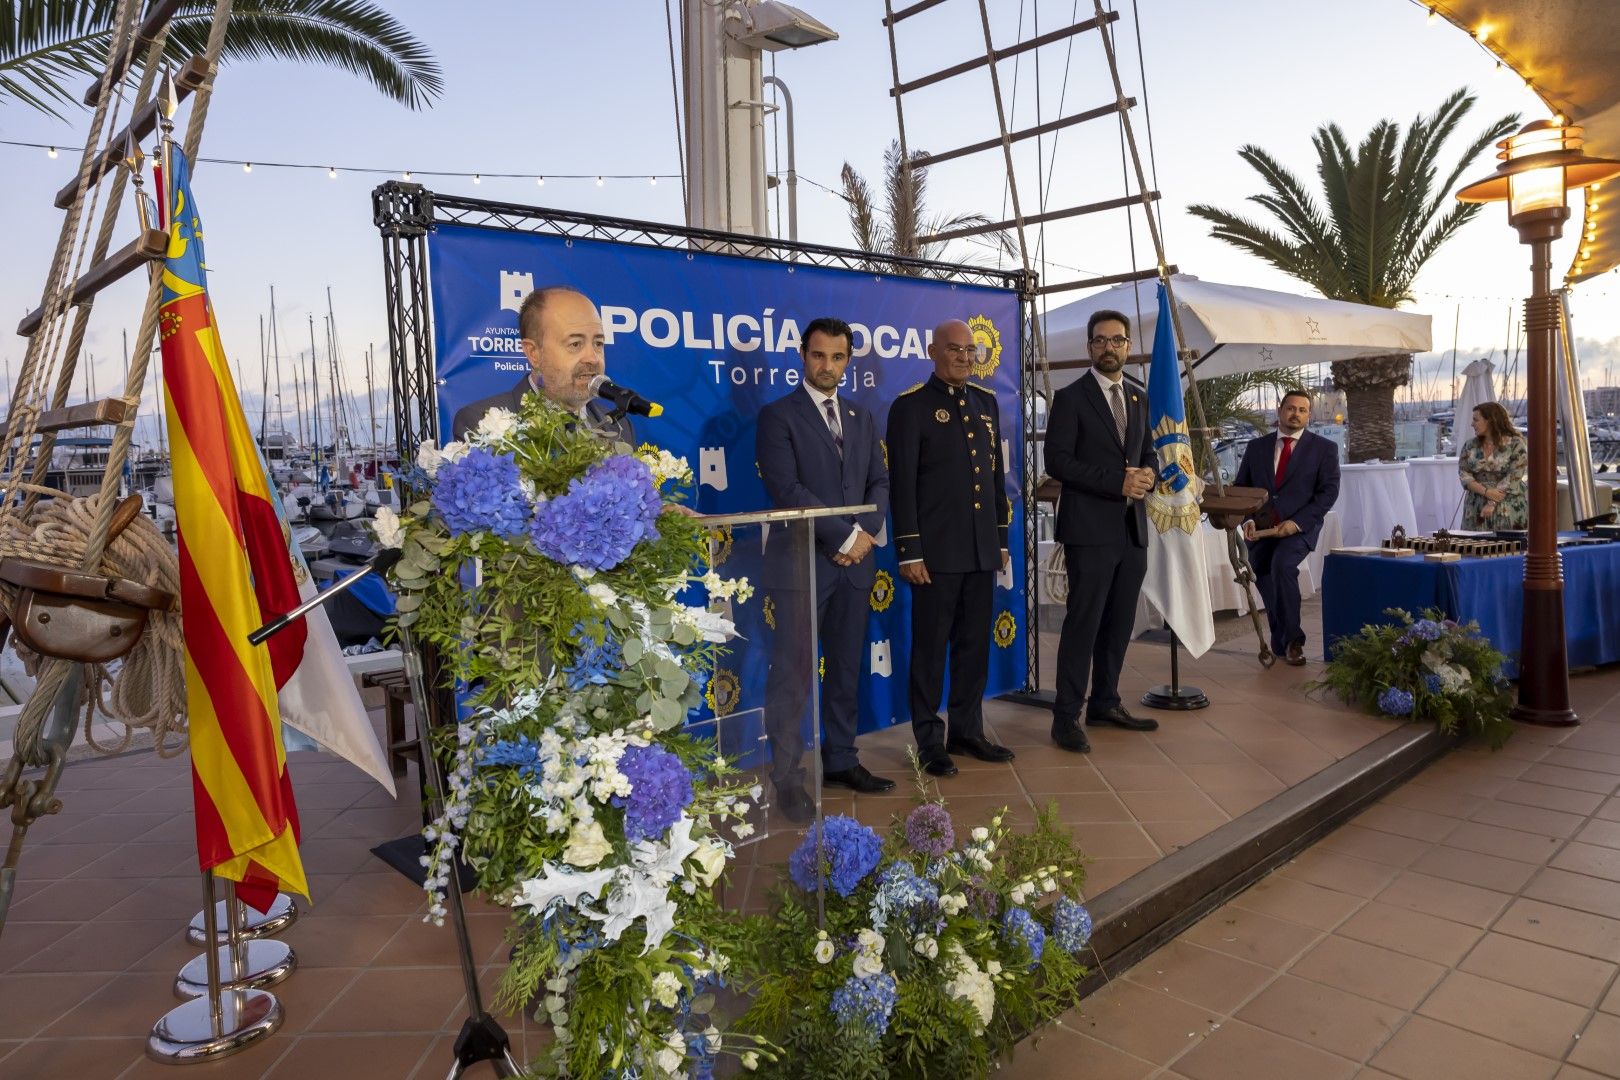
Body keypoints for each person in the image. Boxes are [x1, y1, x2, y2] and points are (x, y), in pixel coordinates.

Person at [756, 317, 894, 810]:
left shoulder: (861, 417)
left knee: (844, 670)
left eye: (837, 357)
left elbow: (879, 482)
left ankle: (840, 759)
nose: (827, 366)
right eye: (819, 355)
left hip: (854, 568)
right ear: (802, 354)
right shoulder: (779, 416)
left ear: (848, 361)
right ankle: (788, 776)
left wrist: (863, 538)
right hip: (800, 566)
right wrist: (849, 534)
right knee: (792, 673)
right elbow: (787, 490)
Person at [886, 319, 1016, 778]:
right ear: (932, 350)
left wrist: (1000, 540)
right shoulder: (911, 408)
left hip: (981, 551)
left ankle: (966, 730)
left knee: (973, 647)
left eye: (970, 350)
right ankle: (928, 740)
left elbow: (995, 480)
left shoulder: (985, 403)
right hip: (935, 556)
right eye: (954, 349)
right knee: (929, 651)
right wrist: (910, 551)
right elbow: (901, 486)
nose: (964, 357)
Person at [1044, 309, 1160, 754]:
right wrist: (1117, 481)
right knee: (1084, 623)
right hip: (1089, 530)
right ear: (1089, 347)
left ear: (1127, 347)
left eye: (1117, 340)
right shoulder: (1070, 398)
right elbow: (1057, 461)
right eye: (1099, 340)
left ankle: (1106, 702)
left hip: (1132, 529)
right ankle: (1066, 717)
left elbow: (1147, 450)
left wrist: (1147, 474)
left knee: (1119, 623)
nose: (1108, 347)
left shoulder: (1138, 397)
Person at [1234, 389, 1341, 666]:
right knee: (1267, 579)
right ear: (1280, 410)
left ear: (1309, 415)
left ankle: (1294, 641)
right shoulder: (1256, 448)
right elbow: (1242, 488)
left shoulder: (1324, 449)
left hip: (1300, 528)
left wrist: (1297, 523)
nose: (1296, 414)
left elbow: (1328, 493)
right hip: (1260, 530)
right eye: (1291, 408)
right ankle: (1280, 640)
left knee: (1283, 566)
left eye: (1303, 410)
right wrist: (1246, 519)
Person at [450, 286, 634, 443]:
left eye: (598, 344)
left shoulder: (619, 428)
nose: (593, 358)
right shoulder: (480, 423)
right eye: (575, 344)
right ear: (533, 353)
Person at [1458, 401, 1528, 530]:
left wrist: (1492, 501)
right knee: (1475, 547)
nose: (1472, 424)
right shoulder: (1470, 445)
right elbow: (1464, 473)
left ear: (1490, 421)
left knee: (1508, 547)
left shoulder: (1515, 444)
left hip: (1507, 505)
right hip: (1475, 508)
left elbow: (1514, 475)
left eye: (1476, 420)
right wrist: (1486, 491)